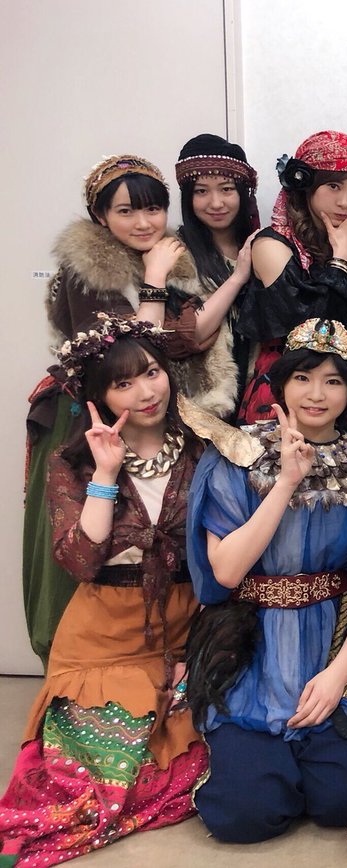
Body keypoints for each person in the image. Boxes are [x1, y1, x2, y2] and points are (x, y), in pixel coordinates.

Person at [1, 317, 206, 866]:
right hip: (103, 635)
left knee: (192, 761)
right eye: (123, 383)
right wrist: (107, 473)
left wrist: (201, 650)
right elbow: (80, 560)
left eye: (152, 373)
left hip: (187, 628)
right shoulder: (72, 463)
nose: (145, 392)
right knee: (91, 781)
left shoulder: (202, 449)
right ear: (97, 396)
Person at [24, 154, 238, 666]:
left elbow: (188, 336)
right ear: (100, 216)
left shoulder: (176, 260)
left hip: (157, 415)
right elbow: (132, 349)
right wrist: (155, 278)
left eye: (154, 209)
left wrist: (238, 274)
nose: (144, 223)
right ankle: (76, 657)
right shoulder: (88, 270)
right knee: (91, 542)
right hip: (92, 419)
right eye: (126, 211)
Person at [184, 318, 347, 843]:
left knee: (343, 802)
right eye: (303, 377)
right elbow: (227, 571)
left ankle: (299, 762)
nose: (316, 394)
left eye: (333, 381)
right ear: (280, 384)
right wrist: (286, 482)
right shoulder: (237, 456)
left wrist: (339, 674)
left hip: (328, 649)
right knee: (244, 817)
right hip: (249, 653)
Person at [236, 130, 347, 422]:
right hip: (282, 384)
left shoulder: (343, 243)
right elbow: (309, 324)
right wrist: (341, 260)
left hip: (334, 387)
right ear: (305, 185)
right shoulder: (271, 244)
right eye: (333, 186)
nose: (345, 202)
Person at [175, 133, 263, 405]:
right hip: (204, 404)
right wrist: (238, 278)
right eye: (201, 191)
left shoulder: (264, 248)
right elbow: (191, 335)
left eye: (226, 189)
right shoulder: (176, 255)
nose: (215, 203)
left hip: (259, 400)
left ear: (243, 193)